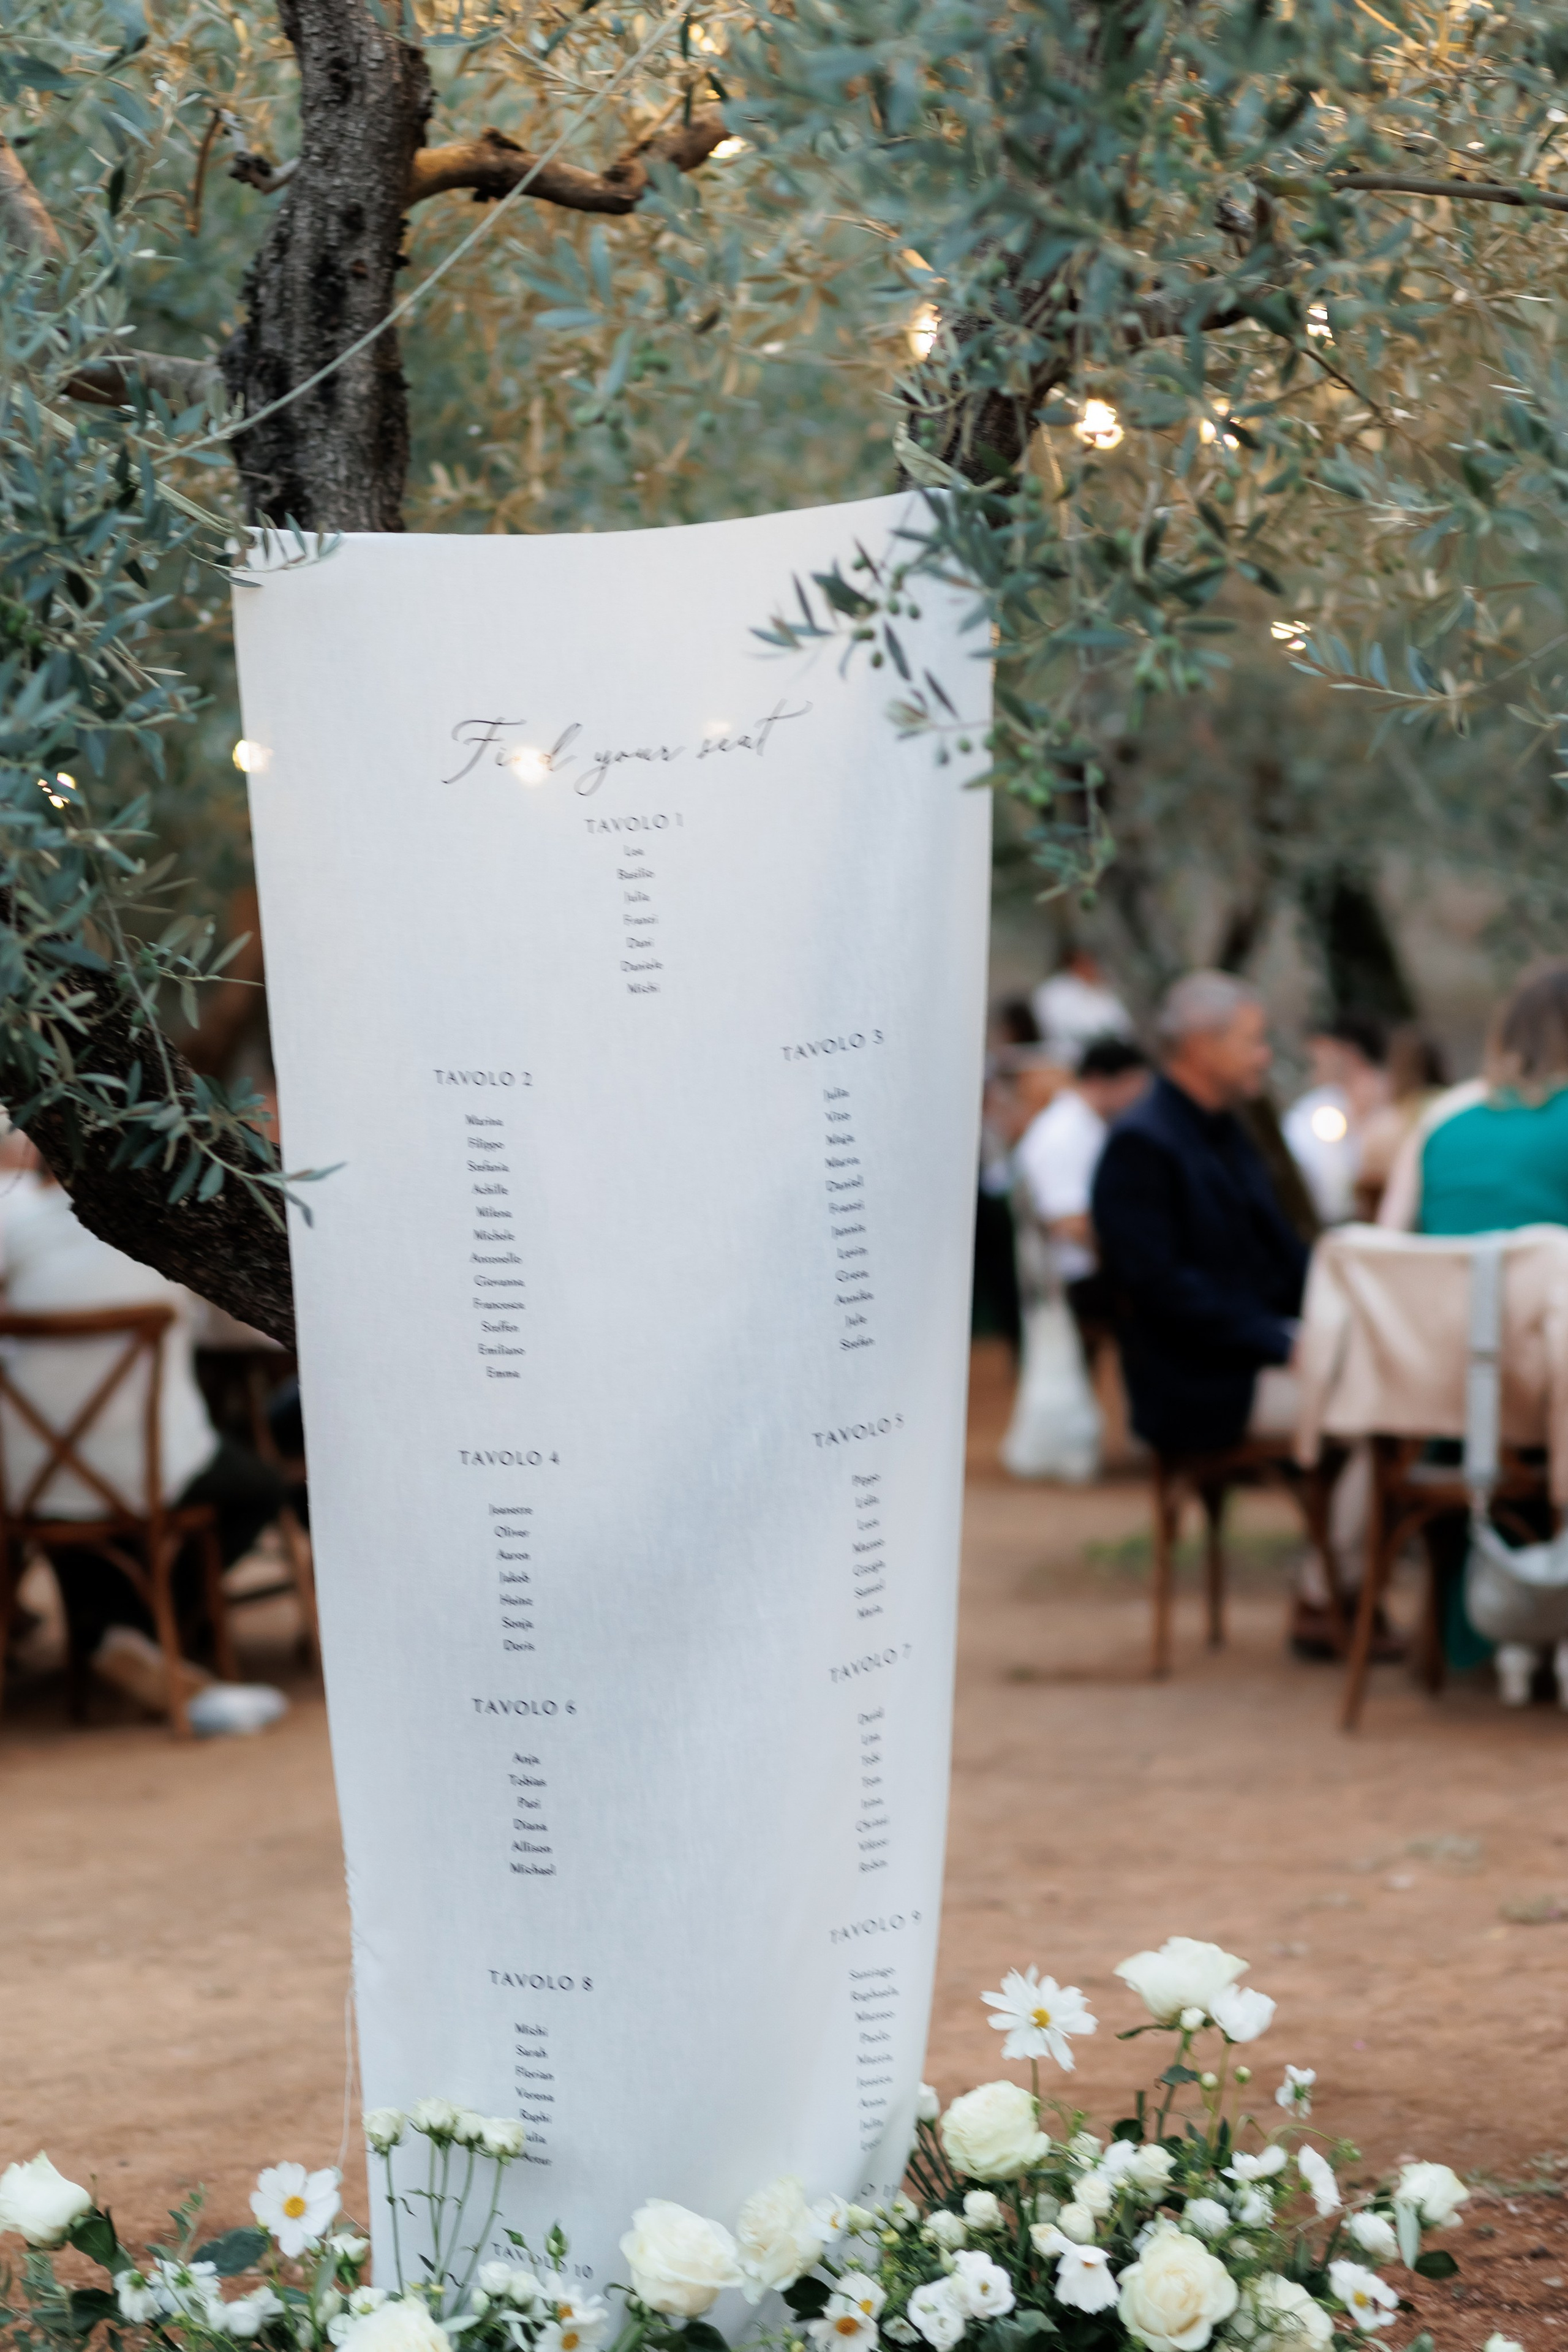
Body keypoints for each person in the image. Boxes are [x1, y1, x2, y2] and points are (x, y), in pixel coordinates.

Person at [0, 1145, 288, 1706]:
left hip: (29, 1477)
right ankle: (158, 1629)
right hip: (155, 1468)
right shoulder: (171, 1228)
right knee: (259, 1488)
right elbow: (234, 1337)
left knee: (79, 1511)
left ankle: (109, 1632)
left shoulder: (13, 1221)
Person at [1378, 962, 1568, 1702]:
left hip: (1439, 1398)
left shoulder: (1438, 1124)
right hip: (1549, 1400)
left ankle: (1473, 1638)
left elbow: (1388, 1247)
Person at [1091, 971, 1306, 1457]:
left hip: (1259, 1352)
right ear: (1201, 1047)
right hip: (1200, 1382)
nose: (1265, 1055)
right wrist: (1280, 1342)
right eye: (1253, 1041)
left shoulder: (1227, 1128)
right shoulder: (1140, 1144)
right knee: (1372, 1404)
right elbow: (1160, 1288)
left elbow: (1279, 1248)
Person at [1015, 1036, 1150, 1338]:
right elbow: (1068, 1222)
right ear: (1100, 1080)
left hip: (1096, 1274)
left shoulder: (1092, 1124)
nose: (1140, 1095)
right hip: (1080, 1281)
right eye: (1132, 1084)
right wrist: (1133, 1262)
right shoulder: (1063, 1132)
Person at [1282, 1014, 1389, 1226]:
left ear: (1349, 1052)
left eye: (1317, 1058)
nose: (1314, 1069)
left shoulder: (1391, 1096)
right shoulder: (1313, 1111)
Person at [1030, 946, 1136, 1071]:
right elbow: (1060, 1030)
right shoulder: (1053, 992)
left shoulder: (1102, 989)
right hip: (1075, 1060)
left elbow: (1123, 1026)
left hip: (1115, 1055)